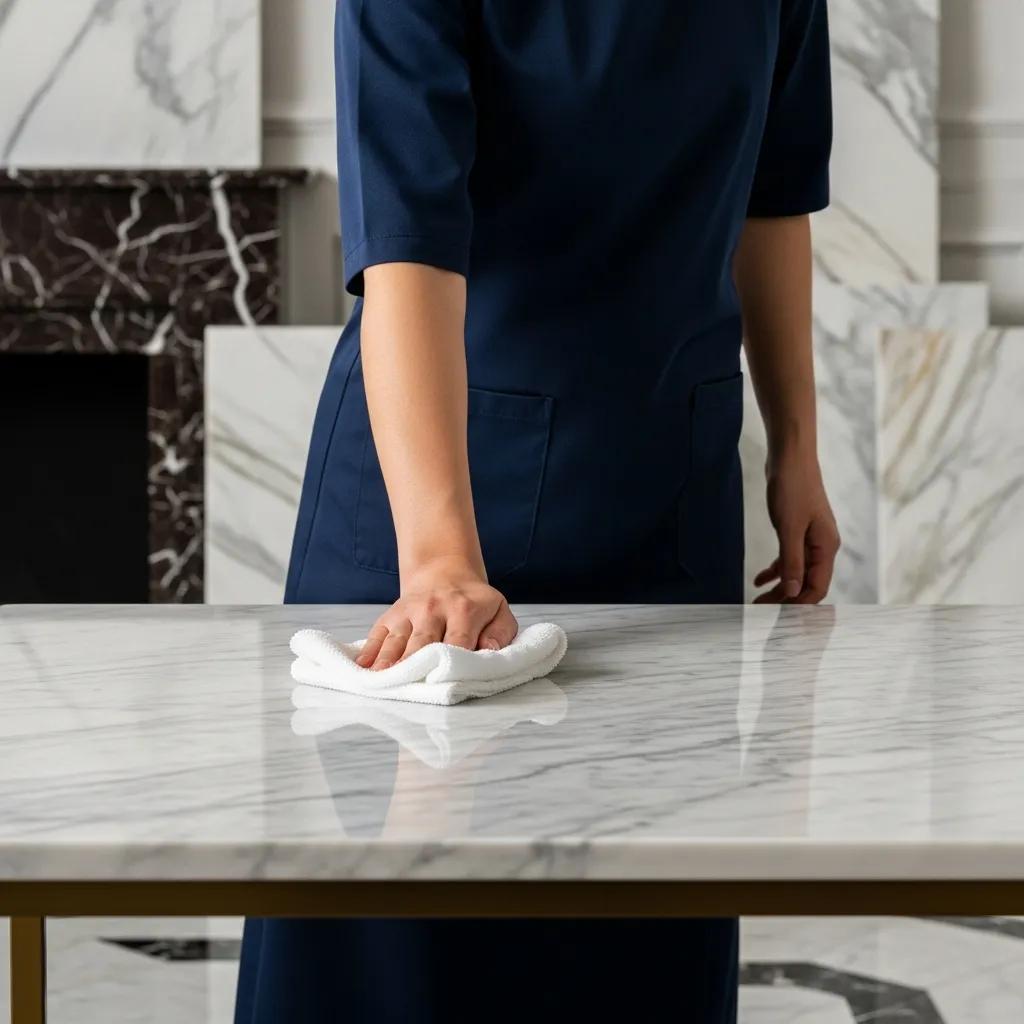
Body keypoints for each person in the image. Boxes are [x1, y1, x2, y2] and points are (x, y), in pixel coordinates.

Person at [235, 0, 840, 1020]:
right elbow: (406, 252)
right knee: (393, 955)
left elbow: (773, 197)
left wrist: (796, 446)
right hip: (431, 488)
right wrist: (436, 556)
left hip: (667, 492)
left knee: (635, 949)